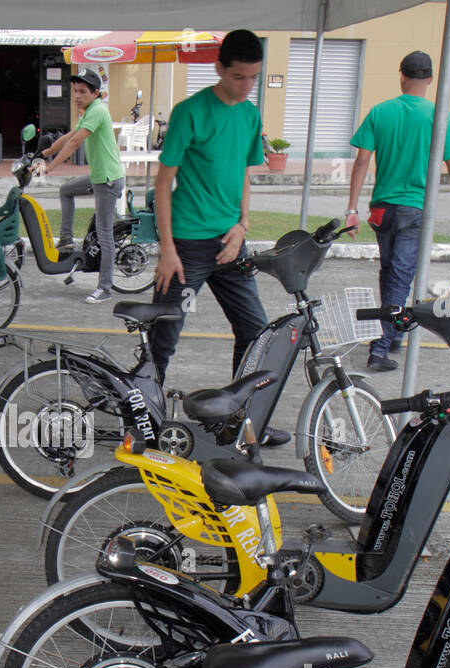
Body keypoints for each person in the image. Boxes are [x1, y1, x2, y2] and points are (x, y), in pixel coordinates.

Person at [150, 29, 288, 446]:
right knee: (164, 336)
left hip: (231, 245)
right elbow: (162, 185)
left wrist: (243, 225)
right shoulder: (190, 112)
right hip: (188, 248)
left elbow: (245, 174)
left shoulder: (249, 116)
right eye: (239, 78)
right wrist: (167, 250)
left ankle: (240, 421)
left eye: (253, 78)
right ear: (219, 69)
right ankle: (143, 421)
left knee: (257, 333)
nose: (247, 87)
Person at [345, 50, 450, 372]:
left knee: (389, 273)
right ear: (430, 79)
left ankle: (390, 334)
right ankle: (379, 349)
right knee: (401, 279)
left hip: (382, 210)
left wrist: (351, 207)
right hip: (415, 210)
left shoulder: (381, 112)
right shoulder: (440, 116)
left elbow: (362, 161)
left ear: (401, 76)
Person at [40, 68, 126, 304]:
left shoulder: (98, 111)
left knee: (104, 235)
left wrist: (51, 166)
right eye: (75, 91)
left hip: (107, 180)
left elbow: (76, 142)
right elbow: (70, 135)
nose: (76, 95)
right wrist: (44, 152)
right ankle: (66, 239)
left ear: (96, 93)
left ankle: (105, 288)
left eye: (82, 91)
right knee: (66, 190)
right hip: (98, 177)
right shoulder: (88, 111)